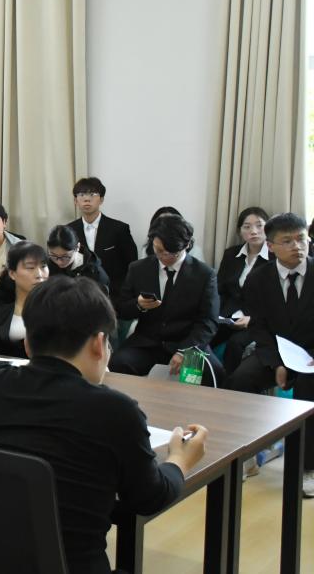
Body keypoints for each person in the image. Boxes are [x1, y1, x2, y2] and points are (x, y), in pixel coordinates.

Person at [0, 275, 207, 574]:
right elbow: (150, 498)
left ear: (27, 344)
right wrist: (180, 459)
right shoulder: (115, 410)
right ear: (100, 344)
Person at [225, 213, 314, 497]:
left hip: (312, 354)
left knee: (309, 387)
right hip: (275, 351)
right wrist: (276, 362)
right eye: (287, 241)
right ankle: (246, 456)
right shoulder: (258, 279)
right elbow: (259, 328)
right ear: (271, 246)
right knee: (240, 380)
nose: (297, 246)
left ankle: (308, 467)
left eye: (301, 239)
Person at [110, 215, 225, 385]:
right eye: (157, 249)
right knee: (118, 363)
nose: (162, 256)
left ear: (186, 245)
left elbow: (208, 321)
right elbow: (122, 310)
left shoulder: (204, 275)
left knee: (212, 373)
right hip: (147, 343)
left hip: (187, 343)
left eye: (169, 253)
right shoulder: (138, 269)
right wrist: (138, 305)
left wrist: (184, 351)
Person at [214, 207, 271, 374]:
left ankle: (228, 386)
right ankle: (203, 381)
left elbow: (276, 300)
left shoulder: (275, 258)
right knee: (203, 335)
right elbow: (220, 289)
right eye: (247, 226)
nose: (253, 231)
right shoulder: (231, 254)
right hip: (228, 317)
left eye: (259, 225)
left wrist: (253, 319)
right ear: (240, 231)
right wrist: (218, 315)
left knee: (235, 344)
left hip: (256, 320)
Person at [65, 177, 137, 297]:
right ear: (75, 201)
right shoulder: (68, 231)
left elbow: (131, 264)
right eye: (81, 195)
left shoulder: (119, 229)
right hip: (79, 296)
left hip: (114, 296)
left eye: (92, 194)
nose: (87, 199)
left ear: (101, 199)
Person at [45, 224, 109, 291]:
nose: (59, 262)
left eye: (65, 256)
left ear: (77, 247)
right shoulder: (47, 266)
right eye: (53, 255)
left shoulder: (96, 275)